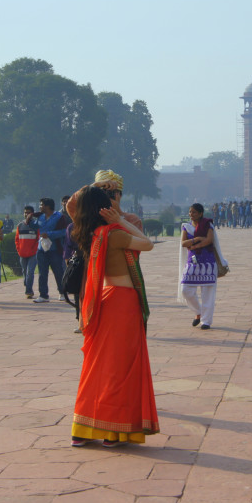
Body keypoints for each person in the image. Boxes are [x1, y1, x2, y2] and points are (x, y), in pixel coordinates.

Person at [68, 185, 159, 448]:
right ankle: (112, 432)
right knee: (120, 369)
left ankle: (83, 430)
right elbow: (148, 244)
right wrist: (119, 219)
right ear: (104, 209)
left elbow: (71, 207)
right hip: (122, 303)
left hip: (103, 300)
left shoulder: (89, 234)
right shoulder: (114, 233)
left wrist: (88, 189)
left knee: (96, 366)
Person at [179, 202, 227, 330]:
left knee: (208, 293)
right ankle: (198, 312)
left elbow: (209, 240)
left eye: (194, 212)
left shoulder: (208, 224)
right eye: (190, 212)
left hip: (207, 263)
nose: (191, 214)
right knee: (185, 290)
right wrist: (196, 239)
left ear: (201, 213)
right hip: (192, 262)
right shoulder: (186, 226)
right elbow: (183, 243)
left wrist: (194, 245)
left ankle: (206, 321)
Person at [30, 197, 67, 303]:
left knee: (58, 271)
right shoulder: (40, 217)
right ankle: (43, 295)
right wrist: (29, 219)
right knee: (42, 273)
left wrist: (49, 234)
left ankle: (62, 292)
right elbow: (35, 226)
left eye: (41, 205)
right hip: (41, 248)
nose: (40, 207)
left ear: (47, 206)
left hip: (54, 249)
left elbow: (64, 231)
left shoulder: (59, 217)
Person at [15, 205, 39, 299]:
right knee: (25, 272)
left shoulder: (36, 225)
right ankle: (27, 285)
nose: (27, 214)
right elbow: (17, 239)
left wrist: (34, 250)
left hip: (33, 254)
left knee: (30, 272)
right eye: (25, 212)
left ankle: (29, 291)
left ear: (32, 214)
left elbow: (38, 239)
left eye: (29, 212)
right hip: (22, 253)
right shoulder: (20, 225)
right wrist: (19, 249)